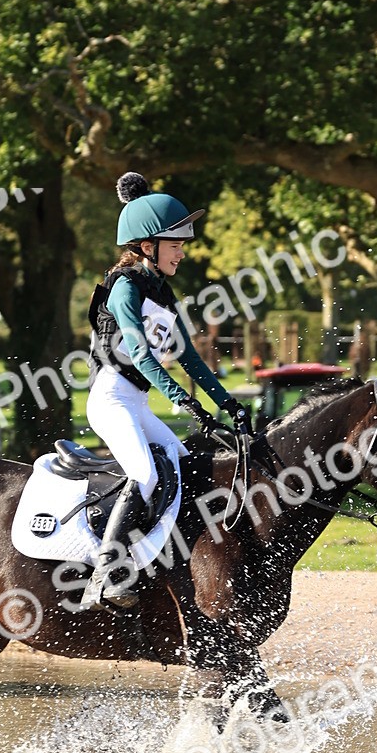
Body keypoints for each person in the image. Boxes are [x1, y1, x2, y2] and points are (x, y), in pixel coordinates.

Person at [80, 171, 251, 612]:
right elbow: (138, 352)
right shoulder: (124, 288)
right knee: (146, 474)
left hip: (135, 402)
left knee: (185, 466)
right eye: (175, 244)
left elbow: (189, 357)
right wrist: (181, 398)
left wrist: (228, 403)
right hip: (111, 398)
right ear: (146, 246)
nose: (181, 252)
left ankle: (162, 562)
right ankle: (108, 572)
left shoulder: (161, 290)